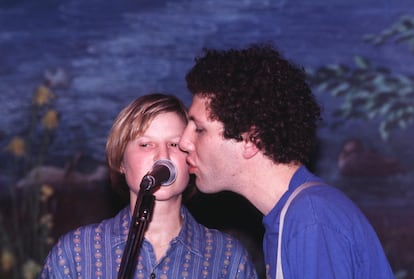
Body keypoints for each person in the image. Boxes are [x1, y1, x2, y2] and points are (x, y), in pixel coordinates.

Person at [179, 44, 395, 279]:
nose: (184, 141)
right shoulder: (290, 219)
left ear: (251, 140)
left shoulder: (310, 221)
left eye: (199, 129)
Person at [39, 93, 258, 278]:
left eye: (174, 144)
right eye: (145, 144)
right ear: (121, 161)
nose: (162, 156)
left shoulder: (228, 258)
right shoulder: (75, 253)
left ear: (190, 158)